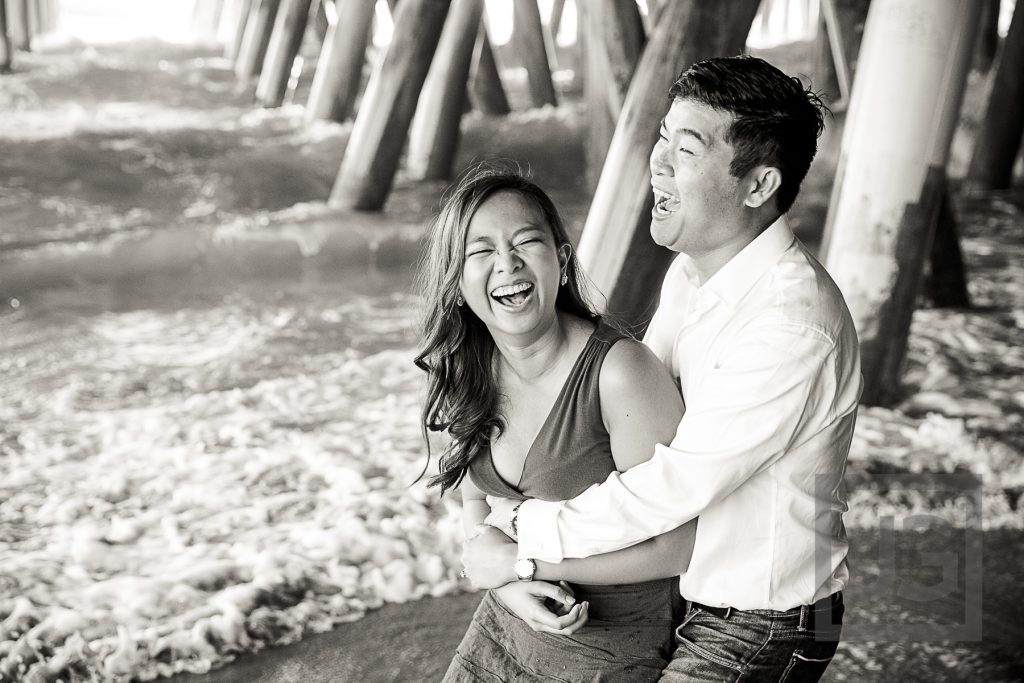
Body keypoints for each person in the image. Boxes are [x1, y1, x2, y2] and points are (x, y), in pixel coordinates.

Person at [464, 56, 862, 682]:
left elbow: (668, 487)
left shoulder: (788, 325)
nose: (658, 162)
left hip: (761, 620)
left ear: (758, 186)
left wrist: (520, 539)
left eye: (687, 148)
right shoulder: (696, 272)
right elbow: (634, 432)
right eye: (662, 138)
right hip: (678, 595)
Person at [415, 167, 700, 682]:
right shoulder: (465, 372)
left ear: (563, 262)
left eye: (527, 242)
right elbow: (478, 505)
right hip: (505, 627)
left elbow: (677, 548)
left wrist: (523, 566)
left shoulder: (619, 374)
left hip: (613, 645)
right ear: (456, 282)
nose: (508, 264)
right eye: (481, 252)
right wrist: (506, 586)